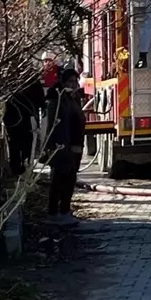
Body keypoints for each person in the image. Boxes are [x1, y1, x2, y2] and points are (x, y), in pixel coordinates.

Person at [46, 67, 86, 226]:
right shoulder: (58, 99)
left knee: (69, 179)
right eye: (70, 81)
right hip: (63, 147)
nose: (74, 84)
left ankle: (64, 210)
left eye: (75, 81)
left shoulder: (71, 97)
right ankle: (55, 212)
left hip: (73, 146)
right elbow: (60, 124)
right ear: (63, 82)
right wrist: (65, 146)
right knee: (60, 180)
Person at [3, 74, 45, 176]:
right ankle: (26, 170)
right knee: (27, 145)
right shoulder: (32, 81)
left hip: (13, 119)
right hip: (26, 119)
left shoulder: (10, 80)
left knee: (15, 145)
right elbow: (41, 102)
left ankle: (17, 170)